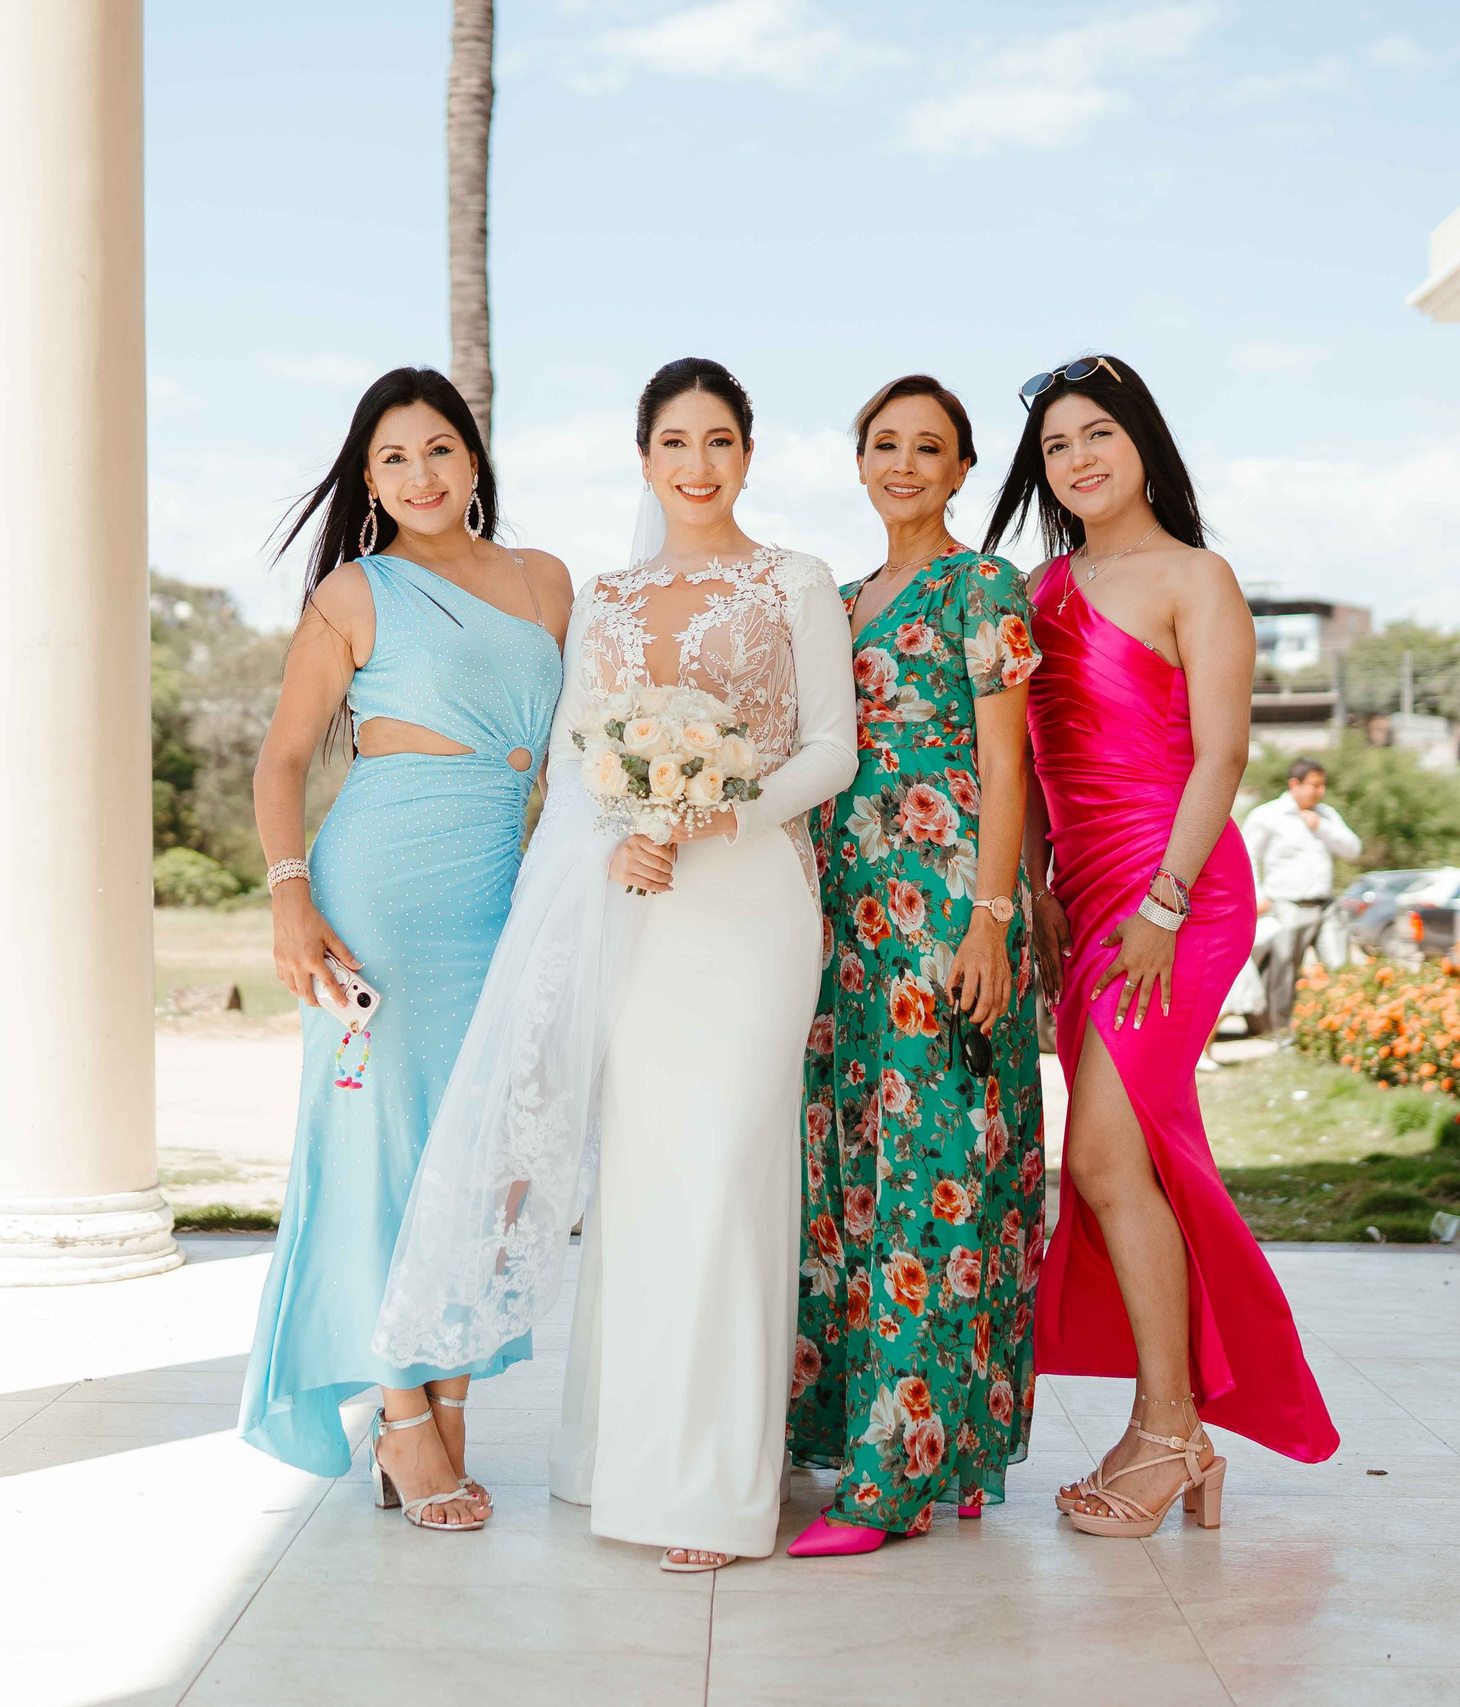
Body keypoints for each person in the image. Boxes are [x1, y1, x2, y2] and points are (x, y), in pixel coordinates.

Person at [375, 358, 855, 1572]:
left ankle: (707, 1489)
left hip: (749, 898)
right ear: (643, 459)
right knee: (647, 1180)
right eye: (674, 444)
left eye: (720, 441)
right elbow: (586, 742)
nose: (697, 465)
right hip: (632, 893)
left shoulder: (793, 580)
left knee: (726, 1174)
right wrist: (633, 825)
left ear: (748, 453)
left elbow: (831, 753)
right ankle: (616, 1458)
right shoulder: (608, 592)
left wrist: (714, 813)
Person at [987, 354, 1338, 1540]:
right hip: (1083, 902)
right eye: (1054, 448)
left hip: (1176, 899)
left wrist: (1164, 907)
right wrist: (1031, 892)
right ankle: (1172, 1427)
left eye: (1098, 435)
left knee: (1097, 1156)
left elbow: (1224, 756)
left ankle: (1173, 1425)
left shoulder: (1198, 577)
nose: (1078, 460)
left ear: (1142, 442)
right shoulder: (1034, 593)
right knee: (1131, 1160)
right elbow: (1025, 761)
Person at [238, 367, 572, 1532]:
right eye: (393, 459)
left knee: (486, 1158)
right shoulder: (354, 592)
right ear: (368, 479)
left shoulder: (545, 583)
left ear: (473, 460)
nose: (420, 475)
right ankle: (400, 1415)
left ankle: (448, 1387)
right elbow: (282, 761)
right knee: (385, 1152)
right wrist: (290, 900)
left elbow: (570, 759)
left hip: (502, 893)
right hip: (375, 890)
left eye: (439, 450)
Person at [787, 375, 1045, 1557]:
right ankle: (950, 1447)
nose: (901, 462)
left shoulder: (980, 585)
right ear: (858, 462)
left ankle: (900, 1477)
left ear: (961, 468)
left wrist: (990, 919)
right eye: (882, 444)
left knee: (935, 1181)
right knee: (859, 1179)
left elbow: (1009, 765)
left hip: (944, 915)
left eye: (926, 447)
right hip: (845, 921)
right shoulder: (833, 603)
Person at [1242, 757, 1361, 1034]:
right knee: (1284, 972)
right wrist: (1257, 895)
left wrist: (1322, 826)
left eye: (1323, 785)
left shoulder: (1326, 815)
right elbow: (1247, 855)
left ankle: (1341, 1032)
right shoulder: (1267, 815)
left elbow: (1353, 849)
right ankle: (1282, 1035)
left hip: (1325, 905)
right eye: (1314, 785)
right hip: (1287, 904)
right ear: (1294, 784)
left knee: (1339, 969)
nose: (1319, 791)